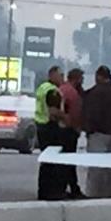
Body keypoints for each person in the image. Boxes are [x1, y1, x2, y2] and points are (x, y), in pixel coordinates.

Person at [82, 65, 111, 198]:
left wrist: (88, 130)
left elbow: (90, 113)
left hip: (98, 133)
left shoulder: (94, 92)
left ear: (99, 77)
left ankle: (93, 193)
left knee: (96, 166)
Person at [34, 66, 66, 200]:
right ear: (52, 75)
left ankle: (43, 191)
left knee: (46, 161)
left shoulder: (42, 87)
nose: (62, 78)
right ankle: (51, 192)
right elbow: (53, 111)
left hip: (41, 125)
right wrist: (65, 117)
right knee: (52, 163)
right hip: (50, 127)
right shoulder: (52, 91)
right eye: (60, 75)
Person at [58, 68, 85, 199]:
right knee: (68, 161)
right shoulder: (71, 92)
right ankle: (73, 188)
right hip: (68, 130)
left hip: (61, 129)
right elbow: (74, 113)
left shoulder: (63, 89)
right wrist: (77, 127)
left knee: (64, 161)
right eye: (81, 78)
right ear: (77, 78)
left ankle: (65, 187)